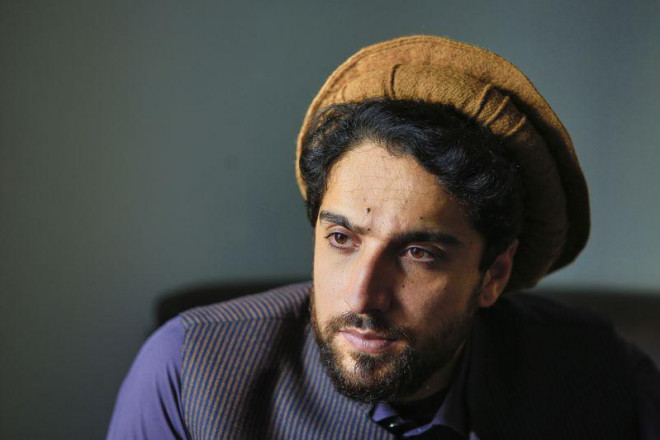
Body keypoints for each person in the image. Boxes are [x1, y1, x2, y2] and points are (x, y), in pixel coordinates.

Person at [107, 35, 660, 439]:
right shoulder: (188, 372)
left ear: (494, 275)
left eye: (419, 253)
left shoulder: (599, 375)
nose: (362, 297)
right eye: (342, 239)